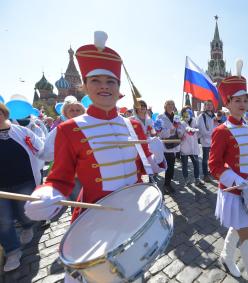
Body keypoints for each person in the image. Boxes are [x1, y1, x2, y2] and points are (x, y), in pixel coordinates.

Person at [23, 31, 165, 283]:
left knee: (133, 271)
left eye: (111, 82)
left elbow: (142, 170)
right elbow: (60, 179)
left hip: (134, 214)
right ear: (85, 85)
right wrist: (48, 195)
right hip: (94, 218)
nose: (104, 87)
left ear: (118, 89)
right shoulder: (69, 129)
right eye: (96, 80)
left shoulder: (133, 125)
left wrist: (156, 157)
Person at [209, 63, 248, 282]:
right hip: (233, 190)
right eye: (237, 100)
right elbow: (214, 164)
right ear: (228, 103)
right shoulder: (221, 131)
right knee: (247, 236)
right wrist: (235, 179)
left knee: (239, 226)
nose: (242, 104)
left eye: (245, 100)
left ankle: (225, 256)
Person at [0, 103, 44, 272]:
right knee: (3, 220)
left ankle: (27, 226)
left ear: (4, 113)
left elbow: (40, 147)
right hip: (1, 187)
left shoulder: (21, 131)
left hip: (24, 180)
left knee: (24, 211)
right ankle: (12, 251)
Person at [39, 96, 85, 211]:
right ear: (66, 113)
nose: (75, 113)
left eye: (77, 110)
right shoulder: (61, 129)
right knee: (78, 204)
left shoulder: (90, 127)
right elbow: (48, 153)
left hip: (91, 171)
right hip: (73, 174)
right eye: (71, 110)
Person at [157, 100, 184, 193]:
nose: (171, 106)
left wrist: (180, 132)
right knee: (169, 166)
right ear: (165, 106)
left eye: (172, 104)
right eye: (168, 104)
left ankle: (168, 182)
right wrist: (169, 132)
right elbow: (158, 131)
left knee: (171, 165)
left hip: (175, 143)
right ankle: (166, 185)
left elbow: (179, 129)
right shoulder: (160, 117)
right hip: (166, 144)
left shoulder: (176, 117)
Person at [180, 106, 203, 186]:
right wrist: (181, 135)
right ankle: (186, 179)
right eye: (185, 111)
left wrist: (196, 133)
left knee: (196, 163)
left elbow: (198, 132)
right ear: (182, 113)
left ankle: (197, 179)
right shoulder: (181, 122)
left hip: (194, 146)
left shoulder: (194, 121)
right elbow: (179, 133)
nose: (187, 113)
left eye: (189, 111)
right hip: (185, 146)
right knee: (185, 164)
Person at [197, 100, 216, 183]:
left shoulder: (213, 116)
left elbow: (216, 127)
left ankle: (210, 171)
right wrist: (213, 134)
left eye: (210, 105)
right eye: (207, 105)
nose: (209, 106)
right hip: (205, 141)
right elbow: (202, 131)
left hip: (214, 141)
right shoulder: (202, 116)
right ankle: (205, 175)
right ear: (204, 106)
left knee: (212, 158)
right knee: (205, 159)